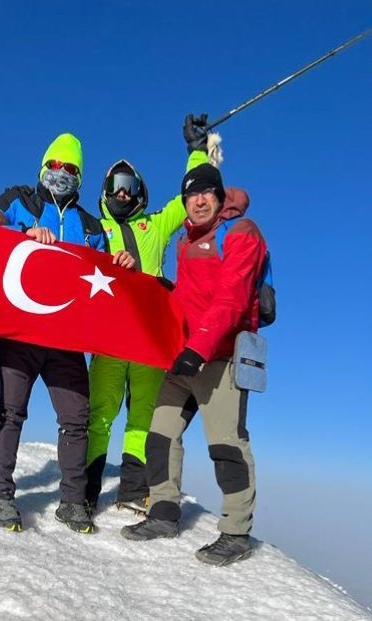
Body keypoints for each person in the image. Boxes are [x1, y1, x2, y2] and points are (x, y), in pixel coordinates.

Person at [0, 133, 134, 534]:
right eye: (56, 166)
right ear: (43, 167)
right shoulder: (20, 201)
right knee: (11, 411)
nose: (61, 174)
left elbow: (103, 272)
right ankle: (0, 494)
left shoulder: (90, 225)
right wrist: (21, 235)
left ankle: (71, 501)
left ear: (80, 178)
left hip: (66, 339)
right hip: (22, 330)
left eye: (71, 169)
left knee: (75, 418)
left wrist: (121, 263)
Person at [121, 153, 268, 567]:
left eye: (207, 192)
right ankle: (165, 513)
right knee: (159, 436)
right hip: (184, 358)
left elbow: (232, 299)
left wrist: (198, 349)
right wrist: (145, 284)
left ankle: (236, 533)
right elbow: (185, 298)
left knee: (226, 446)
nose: (199, 200)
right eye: (192, 194)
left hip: (219, 358)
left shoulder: (241, 232)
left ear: (220, 197)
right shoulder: (185, 242)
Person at [85, 127, 212, 514]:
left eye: (130, 185)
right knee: (100, 412)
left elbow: (192, 196)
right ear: (106, 190)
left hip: (147, 340)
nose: (123, 192)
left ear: (139, 191)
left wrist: (197, 151)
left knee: (142, 414)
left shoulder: (155, 225)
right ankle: (86, 490)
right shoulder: (94, 229)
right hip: (108, 339)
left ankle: (131, 490)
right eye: (116, 184)